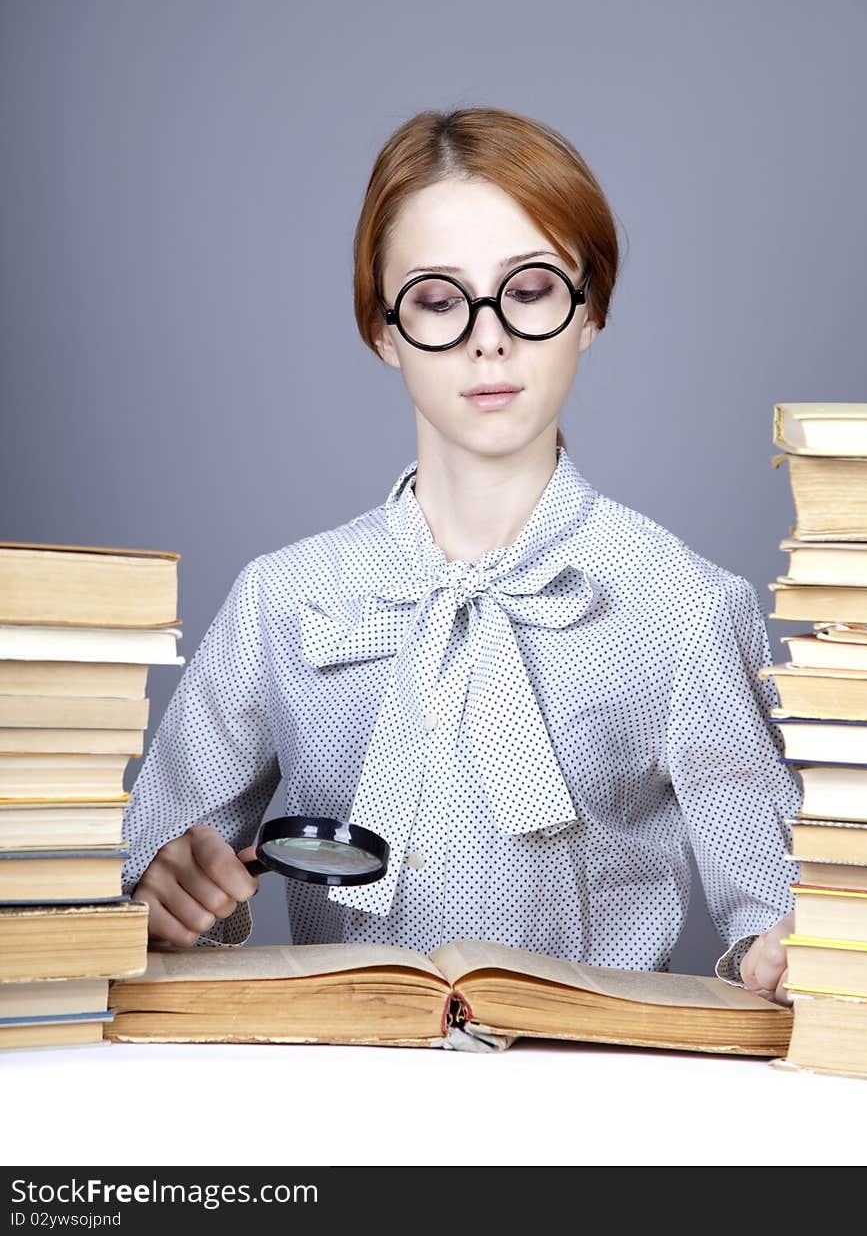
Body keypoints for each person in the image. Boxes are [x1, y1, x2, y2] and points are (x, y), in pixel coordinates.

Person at [124, 106, 798, 1005]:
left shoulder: (684, 606)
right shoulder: (280, 601)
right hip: (333, 1098)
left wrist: (784, 950)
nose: (489, 337)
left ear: (589, 309)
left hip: (602, 1107)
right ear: (382, 330)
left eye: (528, 291)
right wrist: (160, 889)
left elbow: (782, 907)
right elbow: (141, 876)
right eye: (438, 301)